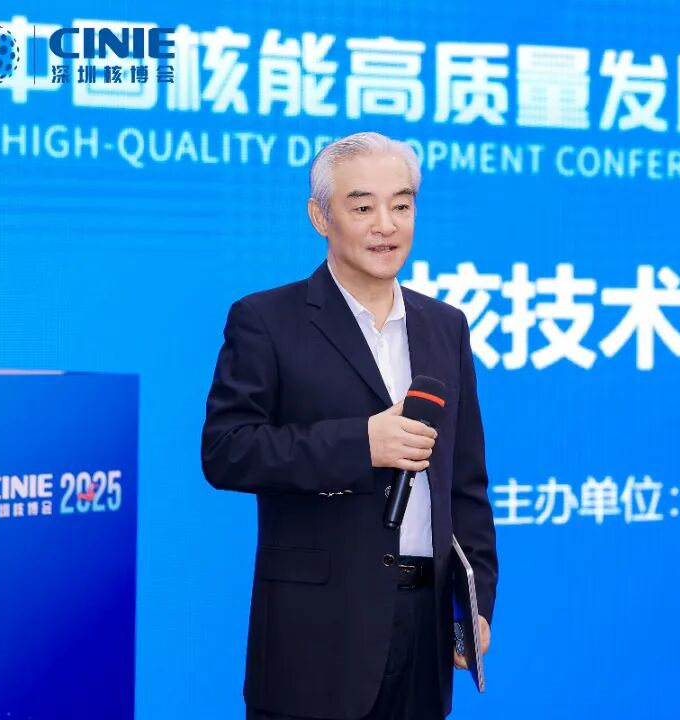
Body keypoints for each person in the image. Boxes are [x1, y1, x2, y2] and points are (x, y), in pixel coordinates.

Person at [201, 131, 498, 720]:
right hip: (316, 637)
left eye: (402, 205)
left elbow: (465, 483)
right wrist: (361, 444)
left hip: (426, 630)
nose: (386, 225)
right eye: (363, 207)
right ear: (320, 217)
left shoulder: (446, 326)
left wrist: (476, 601)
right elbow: (227, 450)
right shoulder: (267, 320)